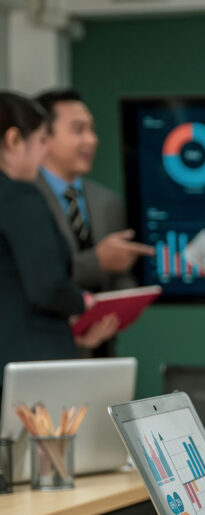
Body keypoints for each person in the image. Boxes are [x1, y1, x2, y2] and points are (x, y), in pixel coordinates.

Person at [0, 91, 118, 399]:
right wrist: (84, 304)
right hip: (28, 371)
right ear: (13, 141)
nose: (43, 153)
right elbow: (46, 286)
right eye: (41, 141)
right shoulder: (19, 197)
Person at [33, 89, 153, 354]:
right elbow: (35, 275)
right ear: (44, 136)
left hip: (102, 349)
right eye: (78, 130)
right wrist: (97, 261)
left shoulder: (105, 200)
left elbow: (121, 276)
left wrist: (126, 302)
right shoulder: (24, 199)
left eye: (92, 129)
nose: (91, 140)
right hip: (44, 351)